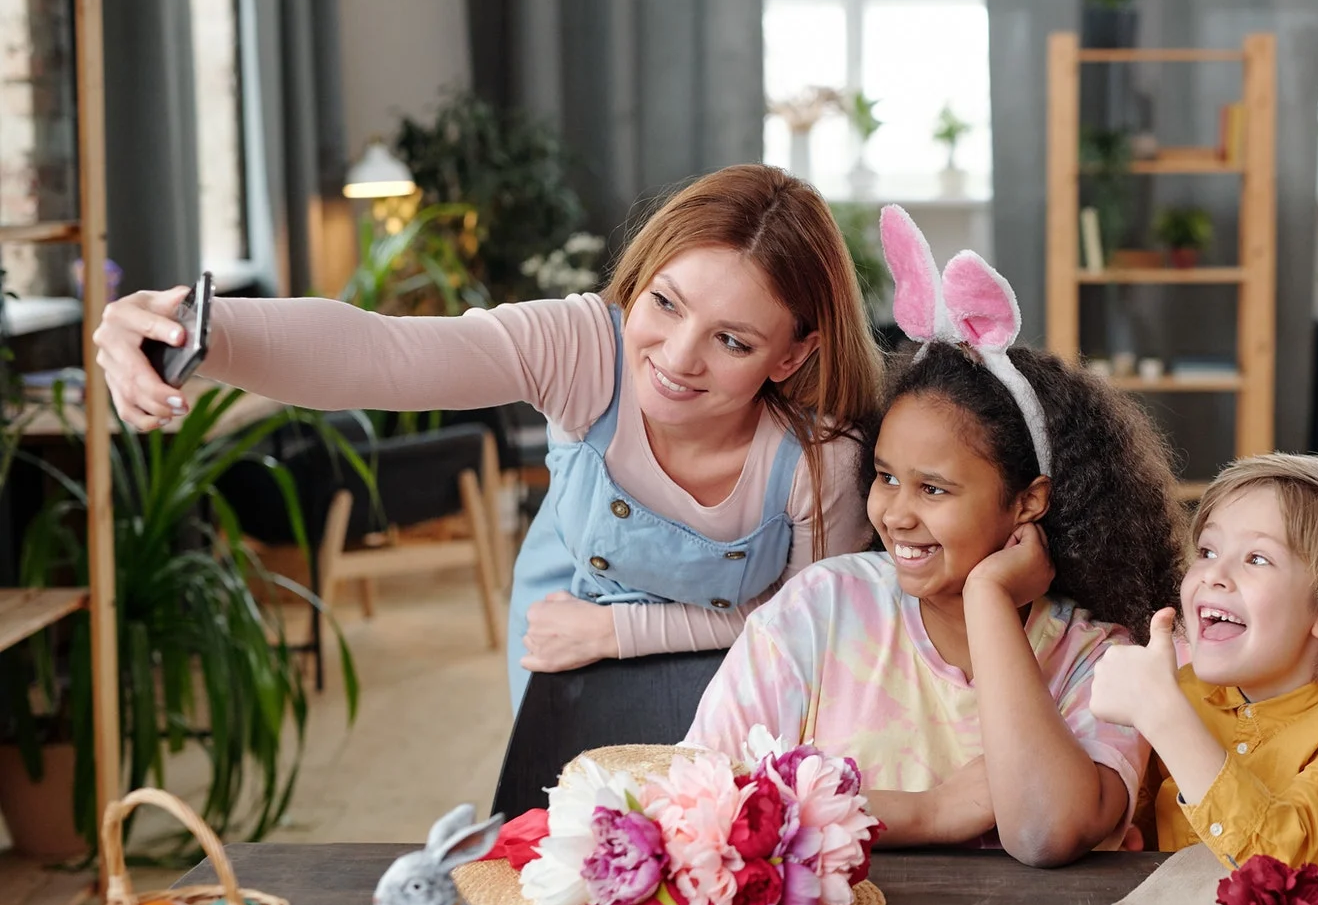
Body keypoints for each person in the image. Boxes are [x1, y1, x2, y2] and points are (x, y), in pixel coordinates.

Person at [94, 165, 883, 801]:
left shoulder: (821, 459)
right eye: (664, 303)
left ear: (790, 356)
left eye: (733, 340)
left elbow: (805, 631)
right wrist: (195, 329)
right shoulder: (583, 346)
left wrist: (620, 631)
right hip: (561, 631)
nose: (678, 357)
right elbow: (381, 352)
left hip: (719, 657)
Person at [686, 206, 1183, 867]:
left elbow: (1045, 831)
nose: (894, 513)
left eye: (934, 489)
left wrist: (987, 598)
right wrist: (933, 811)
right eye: (887, 477)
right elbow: (699, 798)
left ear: (1027, 502)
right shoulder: (821, 609)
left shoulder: (1101, 659)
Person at [1091, 453, 1318, 871]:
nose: (1213, 574)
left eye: (1257, 559)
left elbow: (1280, 865)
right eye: (1208, 551)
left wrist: (1162, 716)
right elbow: (1125, 833)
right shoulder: (1183, 695)